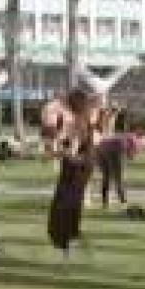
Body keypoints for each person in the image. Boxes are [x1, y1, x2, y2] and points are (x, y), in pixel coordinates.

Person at [48, 88, 99, 257]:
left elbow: (75, 151)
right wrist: (58, 151)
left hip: (78, 168)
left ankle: (68, 243)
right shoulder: (79, 120)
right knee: (66, 206)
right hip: (76, 166)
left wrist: (63, 152)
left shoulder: (80, 122)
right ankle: (68, 243)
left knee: (65, 206)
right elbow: (68, 147)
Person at [95, 106, 130, 209]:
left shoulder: (101, 121)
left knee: (107, 176)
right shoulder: (113, 121)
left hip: (102, 147)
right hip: (112, 146)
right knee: (117, 176)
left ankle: (105, 201)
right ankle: (122, 200)